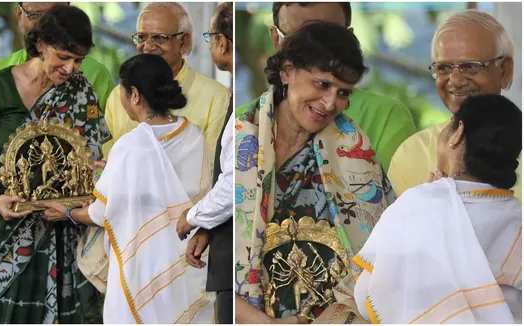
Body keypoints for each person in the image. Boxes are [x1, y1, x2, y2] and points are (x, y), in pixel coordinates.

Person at [0, 6, 110, 323]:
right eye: (63, 56)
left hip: (59, 233)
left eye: (77, 60)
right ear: (41, 45)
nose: (69, 68)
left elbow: (89, 159)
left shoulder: (80, 91)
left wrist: (87, 180)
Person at [235, 21, 394, 324]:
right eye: (322, 84)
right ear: (287, 71)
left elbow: (389, 244)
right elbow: (216, 257)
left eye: (343, 92)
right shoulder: (238, 141)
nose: (331, 103)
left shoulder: (355, 152)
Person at [38, 53, 214, 324]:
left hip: (140, 269)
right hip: (185, 263)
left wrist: (68, 212)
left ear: (134, 94)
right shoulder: (194, 136)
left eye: (121, 89)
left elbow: (101, 213)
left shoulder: (131, 146)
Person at [354, 94, 522, 323]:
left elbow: (367, 297)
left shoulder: (418, 204)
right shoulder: (517, 218)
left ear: (457, 133)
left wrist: (430, 201)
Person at [236, 2, 417, 172]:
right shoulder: (240, 125)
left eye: (331, 39)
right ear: (277, 42)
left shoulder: (385, 116)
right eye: (301, 42)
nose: (330, 104)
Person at [388, 10, 522, 201]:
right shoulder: (411, 154)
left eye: (470, 66)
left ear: (504, 71)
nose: (456, 81)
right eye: (443, 68)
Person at [102, 2, 231, 170]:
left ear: (183, 42)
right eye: (141, 37)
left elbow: (213, 171)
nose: (147, 46)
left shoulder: (216, 97)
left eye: (159, 38)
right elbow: (107, 165)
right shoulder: (119, 95)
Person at [176, 2, 233, 324]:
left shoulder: (237, 101)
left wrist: (193, 216)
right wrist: (208, 227)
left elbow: (232, 182)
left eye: (211, 36)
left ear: (222, 42)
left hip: (235, 264)